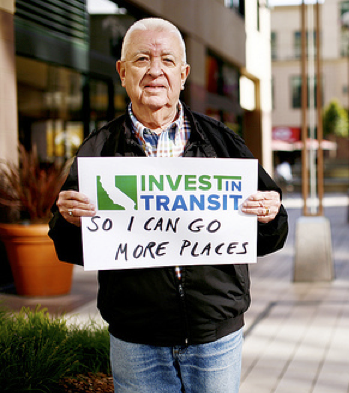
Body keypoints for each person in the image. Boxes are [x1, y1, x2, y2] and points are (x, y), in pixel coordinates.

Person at [49, 18, 288, 393]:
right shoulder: (98, 151)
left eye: (167, 61)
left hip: (215, 338)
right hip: (136, 343)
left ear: (183, 73)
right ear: (123, 72)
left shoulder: (225, 145)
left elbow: (271, 238)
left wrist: (270, 215)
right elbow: (67, 247)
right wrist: (68, 221)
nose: (155, 71)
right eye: (142, 59)